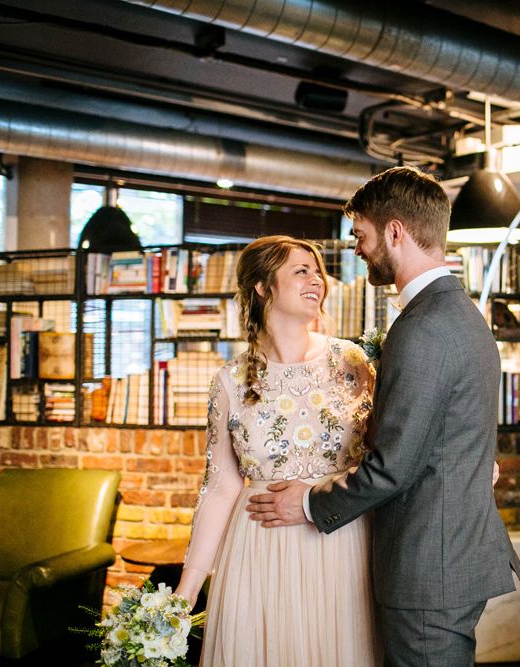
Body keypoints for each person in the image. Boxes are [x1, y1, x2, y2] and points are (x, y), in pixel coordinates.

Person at [247, 166, 520, 666]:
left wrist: (308, 503)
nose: (355, 249)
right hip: (449, 551)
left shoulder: (423, 328)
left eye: (361, 235)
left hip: (429, 566)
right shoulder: (459, 314)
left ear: (394, 232)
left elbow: (394, 466)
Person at [174, 235, 383, 666]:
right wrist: (187, 588)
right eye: (300, 270)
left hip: (342, 540)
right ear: (263, 287)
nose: (316, 281)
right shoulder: (230, 381)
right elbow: (220, 486)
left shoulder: (353, 362)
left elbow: (391, 451)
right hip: (259, 549)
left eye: (317, 271)